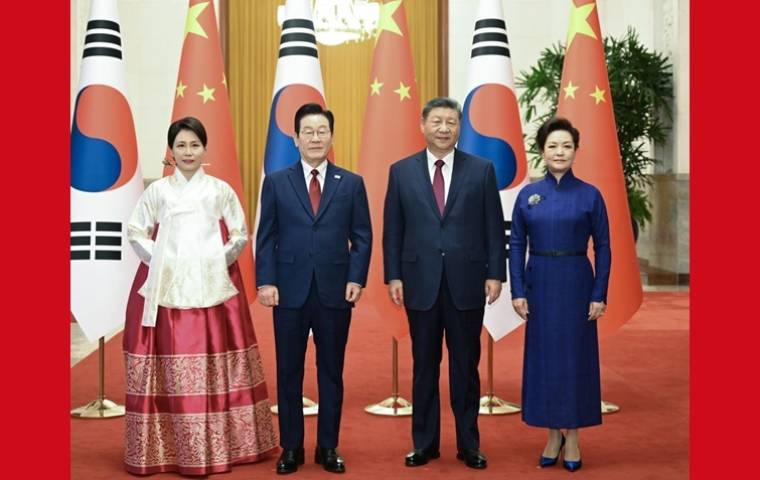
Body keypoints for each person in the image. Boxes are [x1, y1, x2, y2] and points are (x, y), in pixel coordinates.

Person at [122, 116, 277, 475]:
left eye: (194, 145)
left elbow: (239, 234)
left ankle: (226, 445)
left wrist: (211, 261)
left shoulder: (220, 190)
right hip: (167, 288)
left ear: (205, 148)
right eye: (181, 145)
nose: (188, 152)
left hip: (212, 289)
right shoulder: (158, 192)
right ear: (171, 151)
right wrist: (163, 259)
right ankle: (168, 449)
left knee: (217, 362)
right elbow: (135, 231)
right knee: (168, 363)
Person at [383, 97, 506, 470]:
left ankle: (469, 444)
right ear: (423, 125)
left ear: (459, 128)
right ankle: (424, 443)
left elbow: (493, 226)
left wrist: (495, 273)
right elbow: (393, 229)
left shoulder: (481, 170)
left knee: (465, 367)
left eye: (451, 122)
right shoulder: (401, 171)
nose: (443, 128)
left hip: (466, 282)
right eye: (436, 121)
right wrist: (393, 274)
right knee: (424, 366)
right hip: (419, 282)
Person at [256, 103, 372, 475]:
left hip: (335, 291)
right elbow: (266, 236)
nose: (316, 138)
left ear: (331, 136)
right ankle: (291, 447)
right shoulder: (277, 181)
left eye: (322, 131)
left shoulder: (350, 183)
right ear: (295, 138)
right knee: (289, 371)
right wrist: (266, 281)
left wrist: (356, 278)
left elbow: (362, 237)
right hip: (288, 291)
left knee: (331, 372)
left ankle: (328, 446)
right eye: (308, 131)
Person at [509, 117, 611, 472]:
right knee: (545, 360)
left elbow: (604, 246)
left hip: (577, 282)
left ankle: (574, 436)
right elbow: (516, 244)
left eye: (566, 146)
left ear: (575, 150)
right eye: (553, 145)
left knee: (576, 360)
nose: (560, 152)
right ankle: (553, 433)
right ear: (542, 150)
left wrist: (599, 293)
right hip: (539, 283)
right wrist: (518, 290)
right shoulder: (528, 195)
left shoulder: (590, 194)